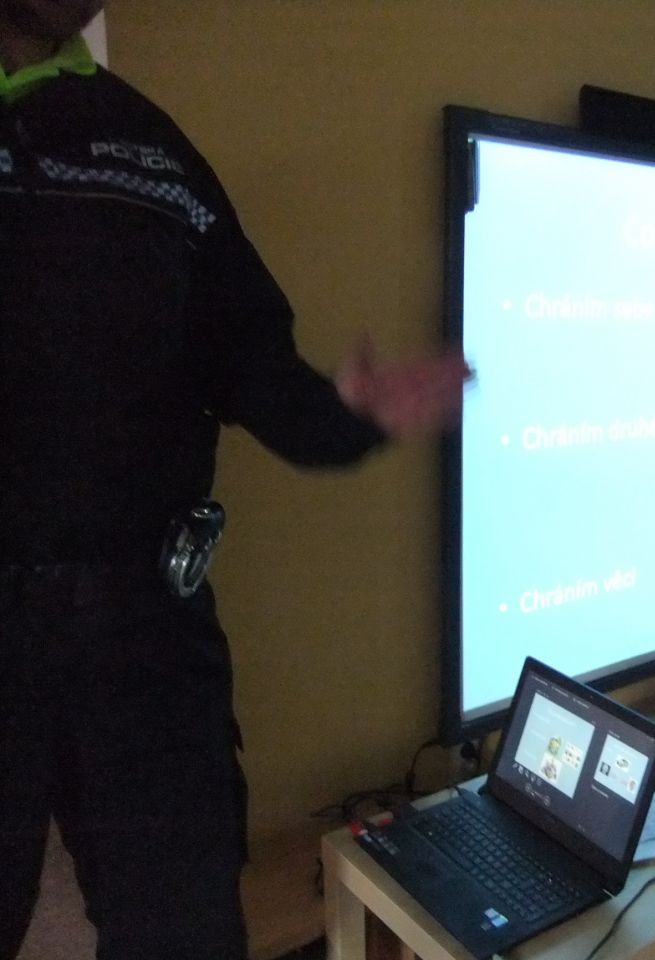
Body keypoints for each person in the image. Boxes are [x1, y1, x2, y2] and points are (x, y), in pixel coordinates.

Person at [0, 2, 471, 958]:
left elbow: (250, 358)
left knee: (188, 931)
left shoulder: (149, 146)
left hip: (144, 635)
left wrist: (352, 414)